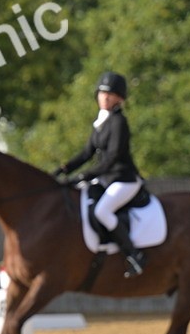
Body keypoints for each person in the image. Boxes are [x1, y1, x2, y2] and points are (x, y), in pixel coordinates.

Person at [54, 71, 147, 277]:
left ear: (119, 99)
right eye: (102, 93)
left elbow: (112, 158)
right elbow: (87, 153)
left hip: (123, 180)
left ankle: (133, 255)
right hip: (106, 179)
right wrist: (64, 169)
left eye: (110, 94)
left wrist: (83, 176)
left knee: (102, 211)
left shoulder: (119, 123)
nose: (105, 97)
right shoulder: (101, 122)